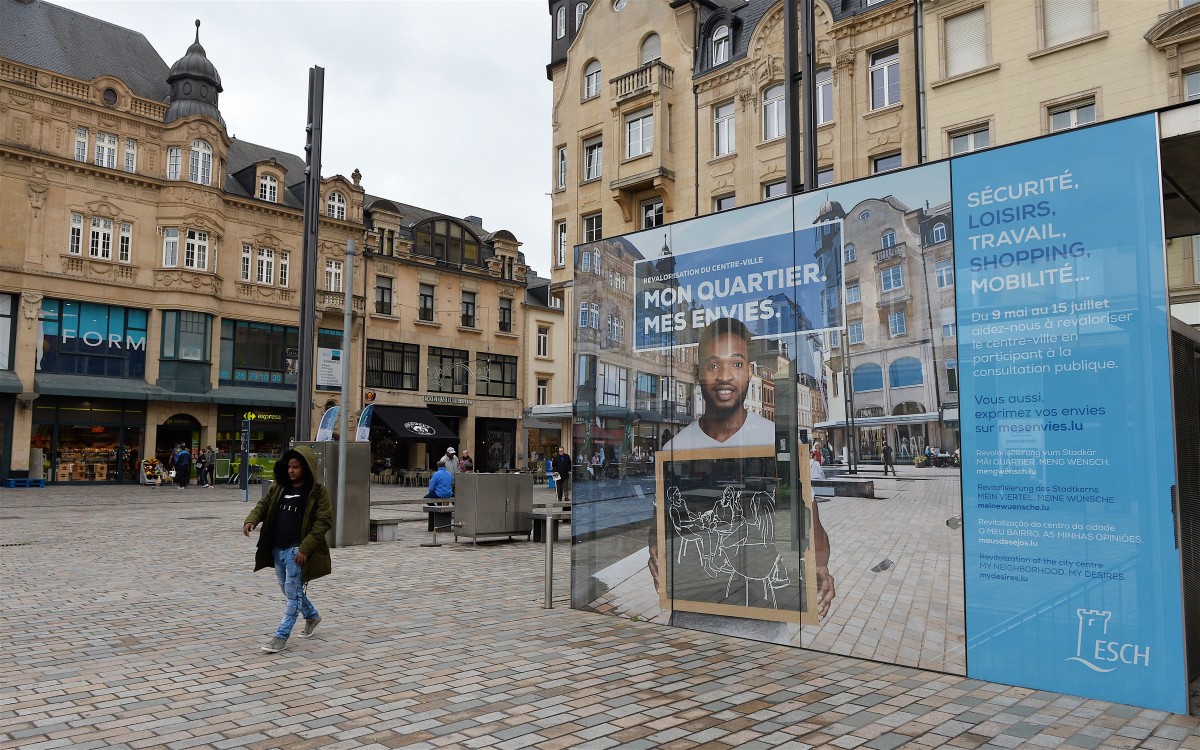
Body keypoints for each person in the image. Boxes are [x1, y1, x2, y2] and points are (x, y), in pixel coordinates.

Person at [242, 445, 333, 654]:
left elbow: (324, 521)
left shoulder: (317, 491)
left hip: (296, 550)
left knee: (292, 595)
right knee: (287, 589)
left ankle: (280, 637)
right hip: (277, 548)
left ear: (306, 468)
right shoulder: (280, 486)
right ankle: (311, 616)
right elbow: (264, 504)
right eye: (289, 466)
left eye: (296, 467)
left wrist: (305, 548)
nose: (291, 470)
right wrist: (252, 520)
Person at [662, 318, 775, 450]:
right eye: (714, 366)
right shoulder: (675, 449)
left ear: (749, 371)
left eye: (736, 364)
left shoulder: (774, 439)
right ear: (699, 374)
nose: (724, 377)